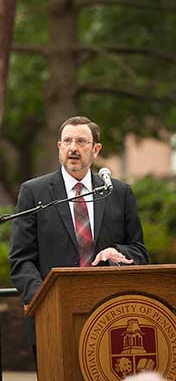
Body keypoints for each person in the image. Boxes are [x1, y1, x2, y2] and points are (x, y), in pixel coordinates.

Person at [9, 115, 148, 348]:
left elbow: (140, 252)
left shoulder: (118, 193)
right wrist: (44, 301)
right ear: (59, 147)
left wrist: (118, 253)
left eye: (82, 142)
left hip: (109, 316)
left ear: (95, 150)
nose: (73, 148)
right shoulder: (34, 193)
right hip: (52, 317)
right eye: (68, 141)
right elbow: (21, 260)